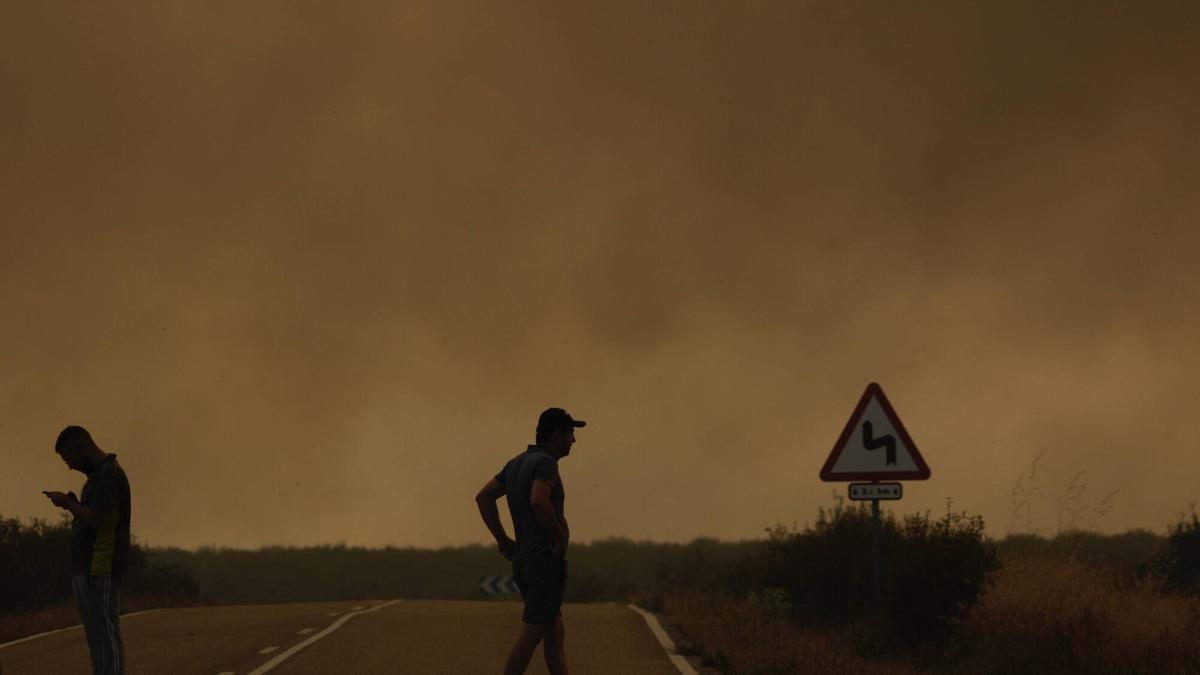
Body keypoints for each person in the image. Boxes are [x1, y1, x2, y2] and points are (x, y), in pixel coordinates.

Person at [476, 407, 585, 675]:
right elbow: (538, 499)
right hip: (544, 561)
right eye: (570, 433)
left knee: (554, 631)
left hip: (523, 562)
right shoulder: (546, 463)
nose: (574, 440)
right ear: (556, 434)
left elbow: (484, 498)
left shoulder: (515, 463)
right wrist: (558, 534)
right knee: (531, 635)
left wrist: (502, 539)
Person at [43, 426, 132, 675]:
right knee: (97, 641)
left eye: (69, 458)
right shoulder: (97, 477)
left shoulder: (109, 474)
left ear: (81, 447)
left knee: (106, 639)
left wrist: (69, 504)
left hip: (101, 567)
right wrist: (76, 504)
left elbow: (99, 519)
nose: (70, 466)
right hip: (87, 569)